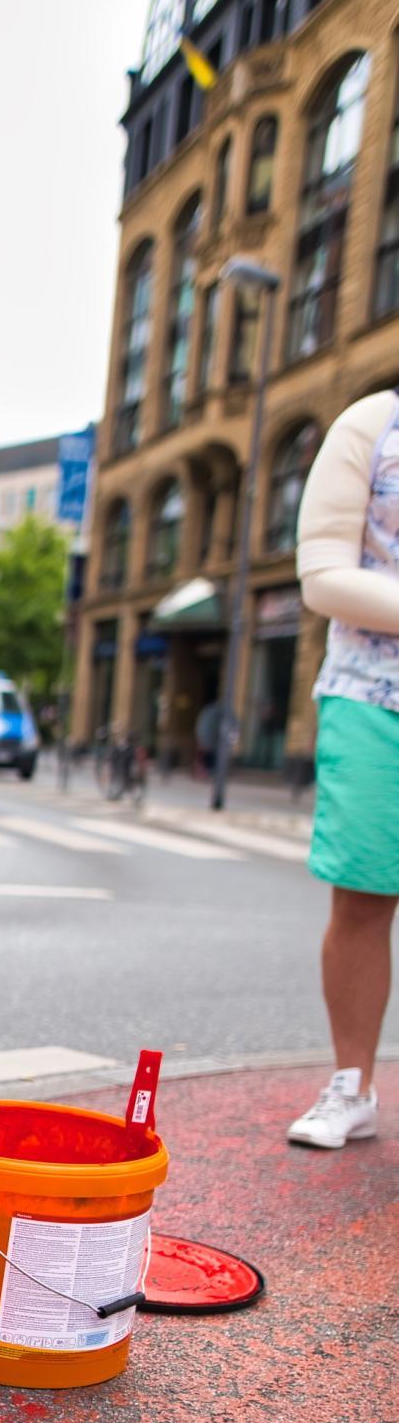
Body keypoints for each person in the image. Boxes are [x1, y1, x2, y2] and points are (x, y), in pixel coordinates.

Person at [287, 388, 399, 1149]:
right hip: (373, 697)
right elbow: (323, 574)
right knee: (363, 897)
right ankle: (352, 1085)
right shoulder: (374, 423)